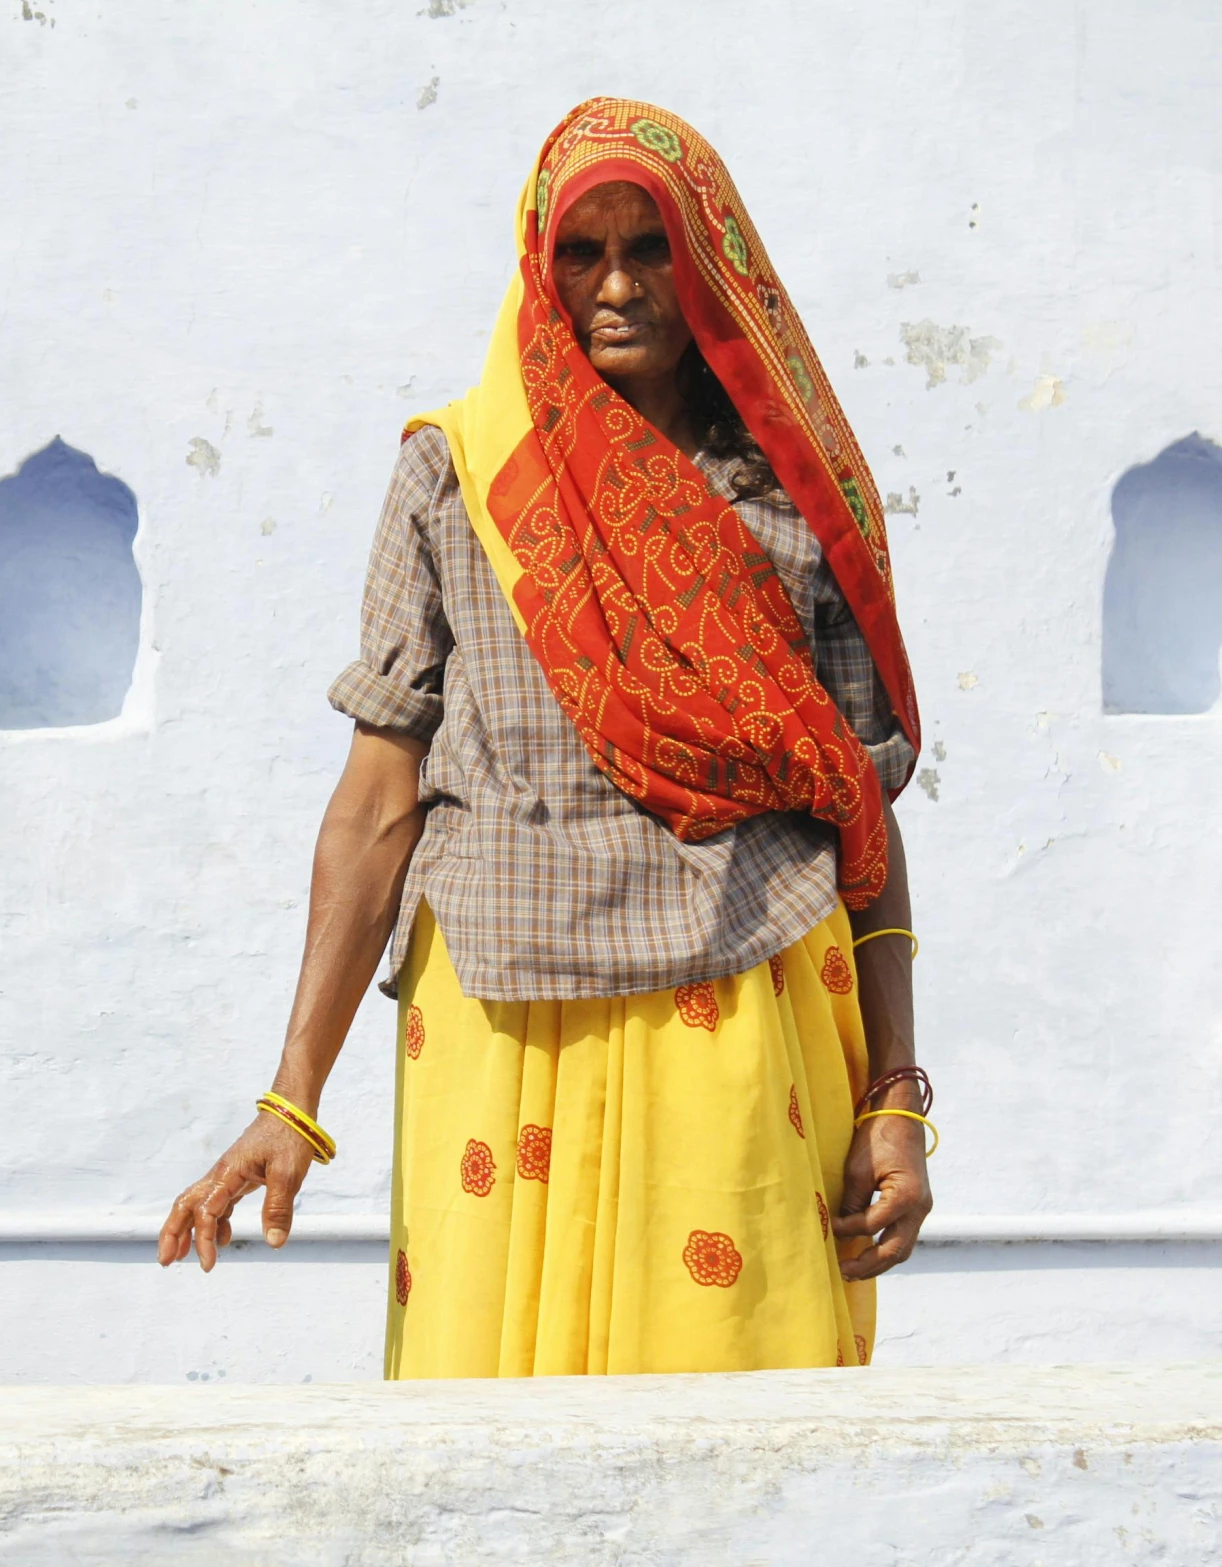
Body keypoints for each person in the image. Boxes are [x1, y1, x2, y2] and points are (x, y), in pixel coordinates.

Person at [158, 98, 933, 1376]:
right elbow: (375, 801)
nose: (616, 286)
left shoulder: (790, 494)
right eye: (582, 252)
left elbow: (861, 812)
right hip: (502, 1011)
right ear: (538, 263)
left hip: (741, 998)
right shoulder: (459, 475)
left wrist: (895, 1099)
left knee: (736, 1433)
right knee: (487, 1421)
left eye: (652, 249)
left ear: (713, 266)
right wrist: (291, 1095)